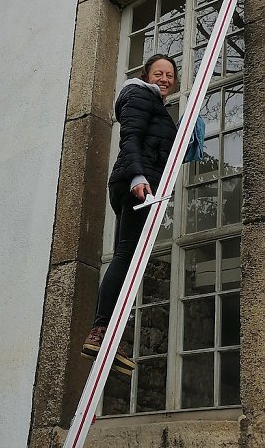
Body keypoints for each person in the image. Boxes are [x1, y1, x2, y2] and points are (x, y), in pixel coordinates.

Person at [82, 53, 178, 377]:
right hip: (136, 183)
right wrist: (140, 177)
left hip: (134, 182)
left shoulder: (154, 106)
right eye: (159, 73)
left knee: (128, 257)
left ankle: (109, 336)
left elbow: (159, 147)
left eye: (170, 75)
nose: (165, 79)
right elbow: (131, 139)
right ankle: (100, 331)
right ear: (146, 75)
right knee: (125, 256)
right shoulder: (140, 94)